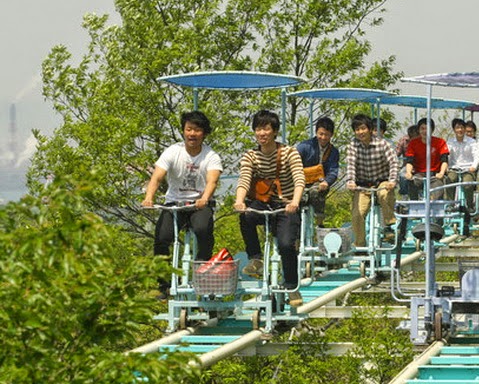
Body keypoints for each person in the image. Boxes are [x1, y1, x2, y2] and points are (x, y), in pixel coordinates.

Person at [142, 111, 223, 298]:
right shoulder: (172, 152)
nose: (192, 134)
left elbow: (212, 181)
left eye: (196, 130)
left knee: (203, 229)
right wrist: (149, 197)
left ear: (204, 133)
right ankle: (164, 284)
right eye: (188, 129)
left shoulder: (211, 156)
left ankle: (201, 272)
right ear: (183, 131)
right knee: (162, 238)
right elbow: (157, 176)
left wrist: (204, 197)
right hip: (174, 203)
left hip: (199, 204)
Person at [234, 110, 306, 307]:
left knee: (285, 245)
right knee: (246, 217)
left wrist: (295, 202)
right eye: (258, 129)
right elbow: (244, 179)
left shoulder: (289, 153)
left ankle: (292, 286)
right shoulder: (251, 156)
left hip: (286, 204)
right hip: (264, 202)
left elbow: (300, 179)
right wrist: (239, 201)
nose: (262, 133)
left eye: (266, 128)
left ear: (275, 131)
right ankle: (255, 258)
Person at [346, 113, 399, 247]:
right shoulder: (353, 145)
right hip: (363, 185)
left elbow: (393, 162)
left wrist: (392, 180)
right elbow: (351, 164)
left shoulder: (382, 144)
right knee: (357, 214)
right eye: (357, 130)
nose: (360, 132)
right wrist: (351, 181)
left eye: (363, 128)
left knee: (384, 194)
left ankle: (389, 226)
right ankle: (360, 244)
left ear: (369, 129)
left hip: (381, 181)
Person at [296, 117, 340, 227]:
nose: (323, 137)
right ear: (316, 133)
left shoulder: (333, 152)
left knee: (317, 193)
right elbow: (293, 165)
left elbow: (333, 171)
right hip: (300, 182)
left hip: (319, 184)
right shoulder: (304, 146)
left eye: (327, 135)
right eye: (321, 134)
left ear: (331, 135)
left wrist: (326, 182)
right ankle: (296, 237)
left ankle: (319, 224)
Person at [404, 118, 449, 200]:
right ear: (419, 130)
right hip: (420, 174)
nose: (425, 131)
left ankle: (436, 209)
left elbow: (444, 160)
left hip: (435, 175)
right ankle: (414, 206)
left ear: (432, 130)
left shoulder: (440, 142)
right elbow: (409, 160)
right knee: (411, 183)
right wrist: (408, 172)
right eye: (422, 129)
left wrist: (441, 173)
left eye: (427, 129)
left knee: (438, 190)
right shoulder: (413, 143)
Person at [445, 119, 479, 208]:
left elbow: (477, 155)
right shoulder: (450, 142)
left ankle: (469, 206)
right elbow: (447, 155)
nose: (460, 130)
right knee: (449, 180)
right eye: (457, 128)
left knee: (467, 183)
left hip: (468, 169)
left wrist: (474, 166)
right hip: (454, 168)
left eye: (462, 127)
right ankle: (450, 205)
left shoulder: (471, 142)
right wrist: (446, 165)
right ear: (454, 129)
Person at [396, 124, 420, 199]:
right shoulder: (404, 141)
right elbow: (396, 153)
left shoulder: (424, 141)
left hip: (421, 166)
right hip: (408, 165)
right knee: (402, 174)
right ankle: (404, 194)